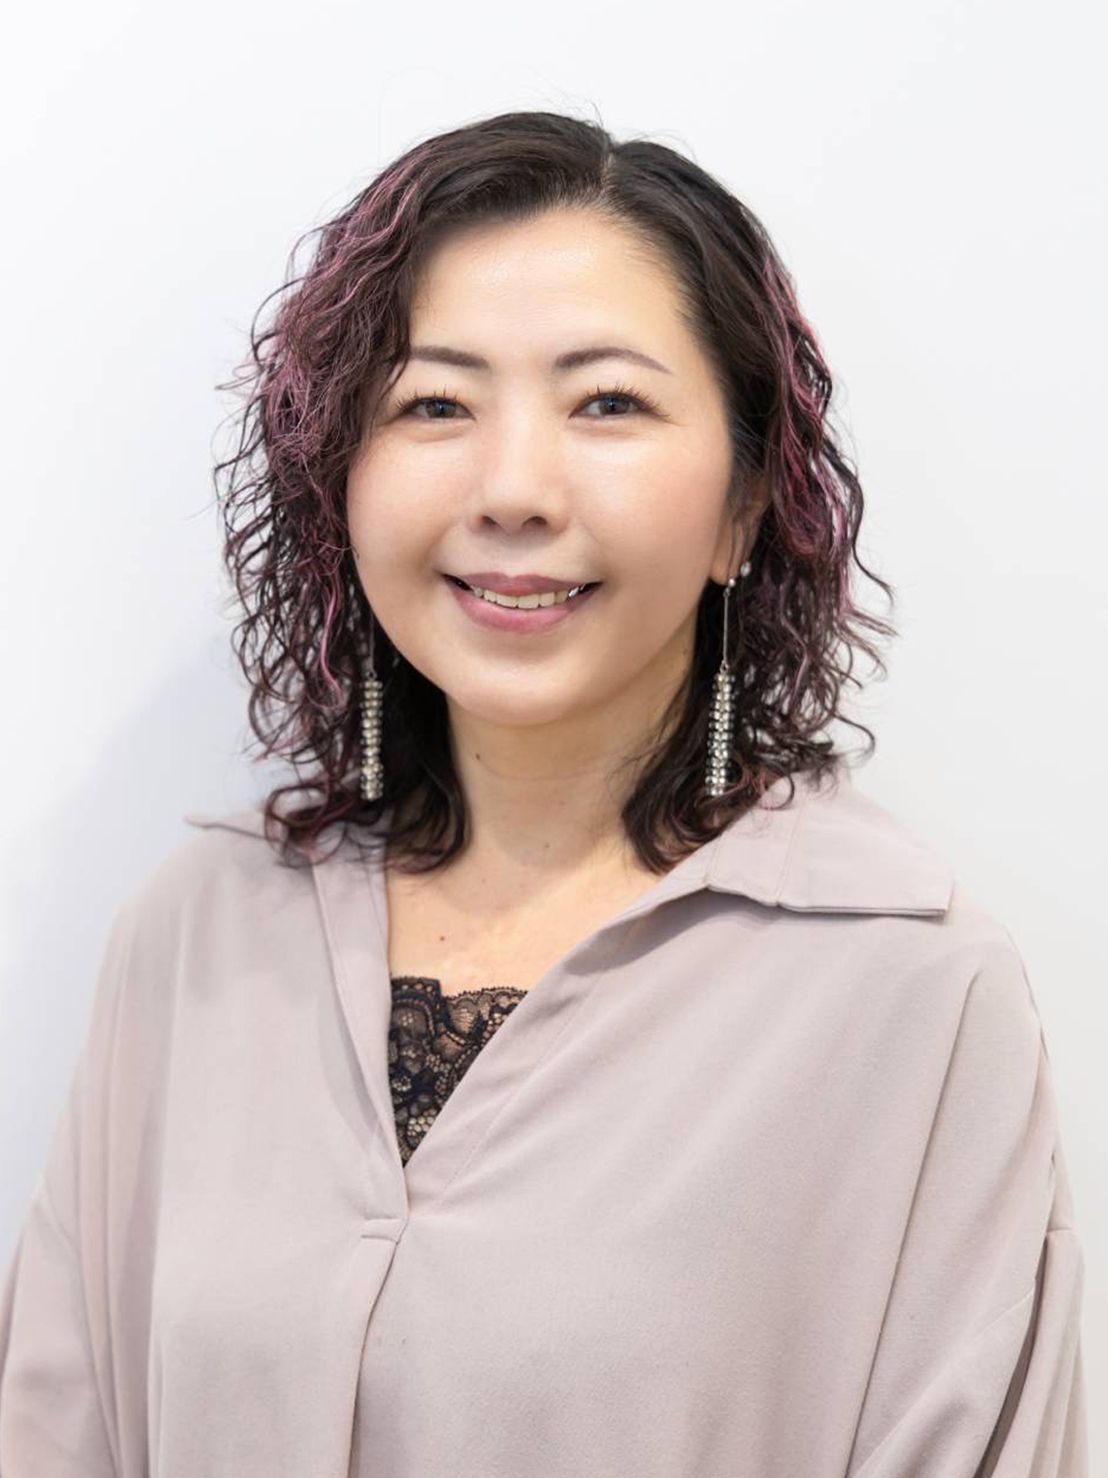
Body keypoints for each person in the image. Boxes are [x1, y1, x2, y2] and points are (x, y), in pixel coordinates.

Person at [0, 108, 1087, 1476]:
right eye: (435, 404)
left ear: (747, 503)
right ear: (341, 481)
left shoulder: (912, 991)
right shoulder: (196, 935)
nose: (513, 489)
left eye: (608, 403)